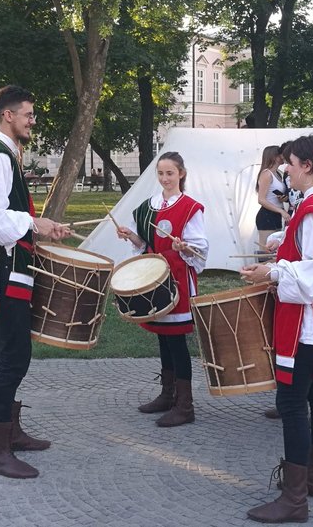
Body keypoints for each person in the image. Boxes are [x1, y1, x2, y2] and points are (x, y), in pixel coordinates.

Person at [240, 134, 313, 523]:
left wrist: (271, 272)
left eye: (289, 162)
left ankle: (294, 499)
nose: (284, 169)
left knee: (292, 403)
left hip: (311, 319)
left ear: (307, 165)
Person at [0, 85, 70, 479]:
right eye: (28, 114)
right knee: (14, 355)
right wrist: (30, 222)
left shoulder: (7, 153)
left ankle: (8, 434)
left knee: (3, 350)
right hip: (5, 265)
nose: (32, 121)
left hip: (9, 261)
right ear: (8, 115)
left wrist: (41, 227)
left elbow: (4, 213)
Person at [116, 151, 208, 427]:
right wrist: (130, 235)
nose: (165, 178)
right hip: (154, 279)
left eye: (170, 173)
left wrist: (185, 247)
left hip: (177, 279)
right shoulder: (148, 207)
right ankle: (167, 395)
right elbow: (145, 244)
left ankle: (185, 405)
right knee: (163, 338)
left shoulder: (191, 208)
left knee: (177, 342)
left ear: (181, 174)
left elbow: (200, 251)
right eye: (160, 173)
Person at [255, 145, 289, 249]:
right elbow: (261, 199)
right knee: (266, 249)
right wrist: (281, 211)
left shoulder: (278, 174)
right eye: (280, 154)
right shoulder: (267, 174)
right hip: (267, 215)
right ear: (274, 156)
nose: (283, 157)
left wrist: (284, 198)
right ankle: (259, 265)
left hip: (276, 214)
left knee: (274, 249)